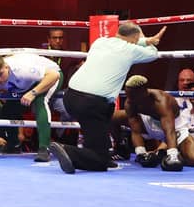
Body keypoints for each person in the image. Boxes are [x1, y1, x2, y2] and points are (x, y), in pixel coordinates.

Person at [50, 22, 167, 174]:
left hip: (71, 97)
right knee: (99, 162)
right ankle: (69, 151)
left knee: (106, 114)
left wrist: (142, 40)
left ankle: (96, 153)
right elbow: (153, 54)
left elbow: (126, 42)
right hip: (91, 104)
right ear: (135, 37)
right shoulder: (130, 50)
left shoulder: (100, 42)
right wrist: (147, 41)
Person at [0, 53, 63, 162]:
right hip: (27, 84)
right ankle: (13, 145)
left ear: (6, 67)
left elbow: (54, 75)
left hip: (50, 75)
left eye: (0, 74)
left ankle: (44, 149)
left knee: (40, 101)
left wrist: (34, 92)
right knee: (8, 110)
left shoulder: (22, 70)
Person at [122, 75, 194, 171]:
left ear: (143, 92)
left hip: (175, 127)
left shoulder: (161, 100)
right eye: (128, 95)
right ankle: (119, 148)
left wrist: (172, 155)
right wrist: (141, 154)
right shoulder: (129, 102)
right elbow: (135, 129)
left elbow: (169, 131)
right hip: (150, 123)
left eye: (133, 95)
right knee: (114, 117)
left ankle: (165, 153)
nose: (130, 99)